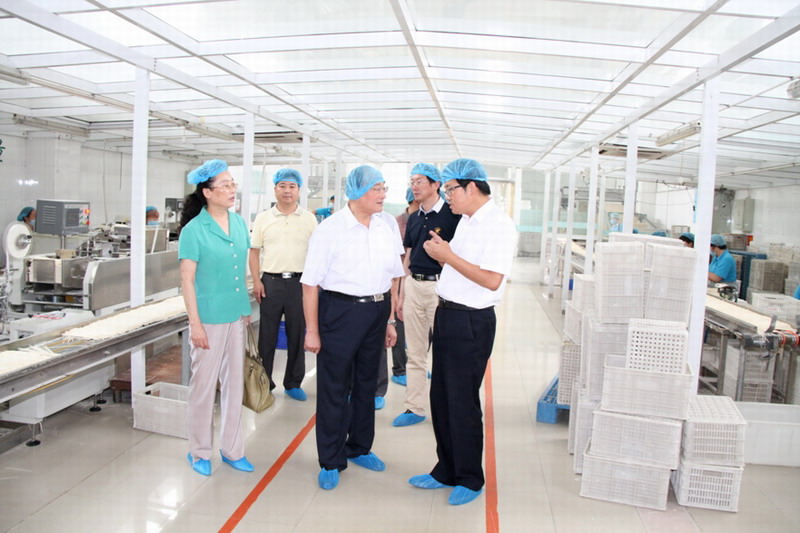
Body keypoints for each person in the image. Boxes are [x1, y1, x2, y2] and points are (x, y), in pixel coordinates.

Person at [409, 158, 516, 506]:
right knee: (441, 398)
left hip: (471, 321)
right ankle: (446, 469)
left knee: (462, 401)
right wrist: (442, 256)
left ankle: (470, 478)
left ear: (471, 187)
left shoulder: (498, 225)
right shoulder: (467, 222)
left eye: (451, 189)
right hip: (448, 314)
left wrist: (449, 257)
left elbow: (491, 279)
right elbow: (461, 267)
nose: (447, 196)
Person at [301, 165, 405, 491]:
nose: (383, 194)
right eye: (377, 188)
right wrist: (312, 330)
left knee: (366, 383)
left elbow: (392, 277)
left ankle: (359, 446)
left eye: (384, 188)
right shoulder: (330, 229)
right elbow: (310, 284)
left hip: (377, 310)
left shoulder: (385, 226)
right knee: (334, 386)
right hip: (340, 311)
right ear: (357, 192)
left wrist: (389, 320)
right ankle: (331, 459)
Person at [178, 159, 254, 477]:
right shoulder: (194, 230)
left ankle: (233, 449)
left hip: (235, 314)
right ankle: (199, 451)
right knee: (204, 387)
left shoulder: (238, 223)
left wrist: (245, 310)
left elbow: (240, 269)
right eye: (224, 185)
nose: (231, 189)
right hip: (208, 318)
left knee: (234, 385)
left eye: (232, 183)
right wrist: (195, 324)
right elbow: (187, 280)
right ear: (208, 192)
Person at [393, 164, 460, 428]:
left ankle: (448, 409)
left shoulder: (452, 216)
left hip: (441, 288)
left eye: (420, 181)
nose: (415, 186)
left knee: (446, 353)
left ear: (436, 184)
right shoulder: (413, 218)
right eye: (412, 182)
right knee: (415, 352)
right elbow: (408, 256)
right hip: (414, 286)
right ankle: (414, 407)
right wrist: (401, 294)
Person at [249, 168, 317, 402]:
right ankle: (264, 382)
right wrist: (257, 280)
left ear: (299, 190)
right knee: (266, 335)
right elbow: (254, 252)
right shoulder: (263, 218)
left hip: (300, 283)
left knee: (297, 333)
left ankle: (293, 383)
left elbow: (316, 253)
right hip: (271, 282)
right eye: (283, 186)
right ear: (275, 189)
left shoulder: (309, 219)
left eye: (292, 186)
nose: (287, 190)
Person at [374, 187, 419, 408]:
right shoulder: (399, 221)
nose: (381, 195)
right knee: (392, 329)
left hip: (406, 282)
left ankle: (406, 370)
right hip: (392, 282)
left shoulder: (389, 221)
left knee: (407, 330)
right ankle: (399, 369)